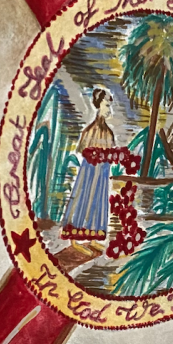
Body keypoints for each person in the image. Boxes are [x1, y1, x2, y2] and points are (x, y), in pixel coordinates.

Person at [61, 87, 115, 252]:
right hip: (89, 173)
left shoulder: (109, 133)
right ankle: (73, 239)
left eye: (109, 106)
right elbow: (83, 151)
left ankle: (93, 238)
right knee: (82, 199)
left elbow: (111, 153)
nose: (109, 109)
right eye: (107, 105)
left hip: (102, 174)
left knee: (98, 202)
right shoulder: (91, 130)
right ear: (99, 105)